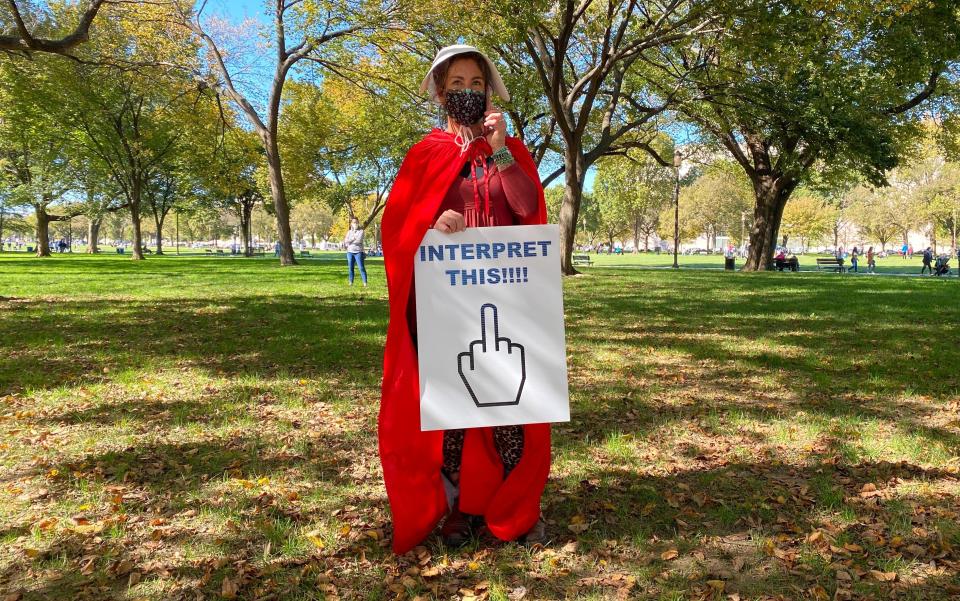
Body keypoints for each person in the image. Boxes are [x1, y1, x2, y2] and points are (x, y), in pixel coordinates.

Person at [379, 45, 549, 554]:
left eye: (477, 82)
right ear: (439, 93)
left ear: (491, 90)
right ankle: (459, 512)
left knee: (511, 409)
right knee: (453, 413)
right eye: (457, 84)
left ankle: (515, 510)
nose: (468, 92)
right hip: (442, 302)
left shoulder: (510, 151)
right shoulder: (425, 153)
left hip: (508, 296)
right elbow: (399, 228)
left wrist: (498, 149)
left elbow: (526, 208)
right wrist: (432, 227)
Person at [343, 218, 368, 286]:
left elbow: (359, 241)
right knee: (351, 268)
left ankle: (365, 283)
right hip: (350, 252)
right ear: (351, 223)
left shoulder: (361, 231)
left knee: (361, 267)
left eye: (356, 222)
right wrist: (353, 238)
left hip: (358, 252)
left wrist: (350, 240)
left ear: (358, 223)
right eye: (353, 222)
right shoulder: (349, 232)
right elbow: (346, 241)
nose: (355, 224)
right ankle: (351, 282)